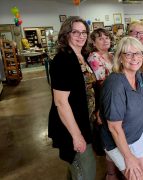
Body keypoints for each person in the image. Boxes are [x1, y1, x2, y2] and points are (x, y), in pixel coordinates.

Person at [48, 16, 96, 180]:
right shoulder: (63, 60)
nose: (81, 36)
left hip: (85, 121)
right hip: (73, 126)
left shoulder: (81, 56)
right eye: (76, 32)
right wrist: (76, 136)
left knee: (76, 170)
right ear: (66, 34)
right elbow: (61, 103)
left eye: (84, 32)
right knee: (86, 171)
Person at [99, 36, 143, 180]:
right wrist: (128, 157)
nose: (134, 58)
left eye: (138, 53)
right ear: (120, 57)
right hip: (117, 139)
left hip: (137, 134)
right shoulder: (115, 85)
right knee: (136, 176)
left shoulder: (137, 75)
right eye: (128, 54)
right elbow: (114, 127)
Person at [87, 28, 120, 180]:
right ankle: (111, 173)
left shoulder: (113, 55)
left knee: (117, 136)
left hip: (117, 99)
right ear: (93, 42)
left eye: (107, 37)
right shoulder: (94, 57)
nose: (105, 40)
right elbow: (100, 85)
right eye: (100, 38)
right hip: (105, 100)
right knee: (109, 139)